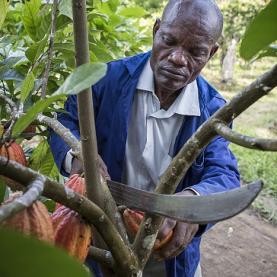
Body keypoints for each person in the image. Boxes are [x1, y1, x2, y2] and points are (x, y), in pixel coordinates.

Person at [49, 0, 240, 276]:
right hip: (102, 242)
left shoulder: (212, 110)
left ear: (211, 53)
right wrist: (77, 154)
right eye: (169, 41)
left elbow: (224, 173)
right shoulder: (107, 80)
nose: (177, 58)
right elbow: (65, 121)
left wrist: (190, 206)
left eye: (195, 51)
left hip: (168, 256)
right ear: (156, 30)